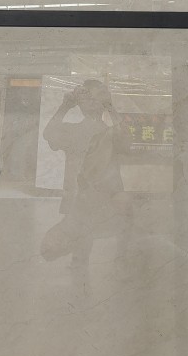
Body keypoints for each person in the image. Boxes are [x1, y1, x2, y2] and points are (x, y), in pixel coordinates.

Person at [41, 79, 127, 277]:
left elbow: (125, 141)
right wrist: (65, 106)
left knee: (99, 229)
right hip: (83, 194)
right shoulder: (75, 132)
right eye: (87, 98)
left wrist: (110, 108)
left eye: (96, 98)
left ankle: (85, 266)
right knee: (83, 231)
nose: (92, 102)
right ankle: (80, 265)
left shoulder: (108, 132)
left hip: (104, 193)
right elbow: (49, 134)